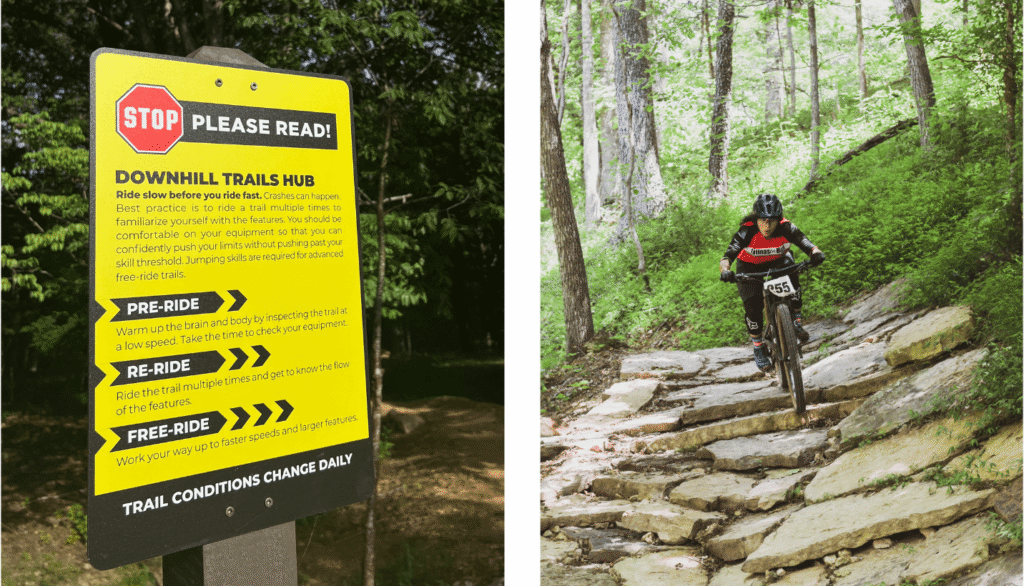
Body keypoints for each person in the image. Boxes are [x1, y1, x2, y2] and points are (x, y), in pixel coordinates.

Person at [718, 193, 825, 371]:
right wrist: (725, 271)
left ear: (778, 220)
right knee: (753, 306)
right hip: (749, 267)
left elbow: (806, 242)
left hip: (778, 261)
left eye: (772, 221)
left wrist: (815, 253)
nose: (767, 226)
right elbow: (728, 255)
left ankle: (796, 323)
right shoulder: (747, 230)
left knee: (793, 278)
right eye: (762, 221)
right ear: (755, 219)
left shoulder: (786, 227)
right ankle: (758, 347)